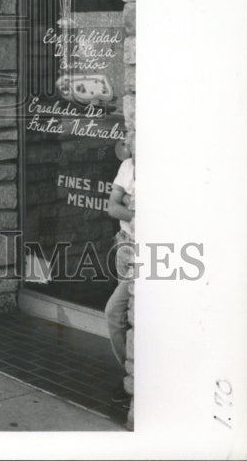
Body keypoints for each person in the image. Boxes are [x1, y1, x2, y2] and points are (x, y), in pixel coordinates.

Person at [105, 128, 135, 406]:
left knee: (114, 313)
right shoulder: (127, 166)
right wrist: (131, 206)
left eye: (133, 136)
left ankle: (135, 379)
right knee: (126, 318)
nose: (127, 142)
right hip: (124, 244)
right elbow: (112, 207)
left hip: (145, 252)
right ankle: (130, 378)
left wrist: (126, 200)